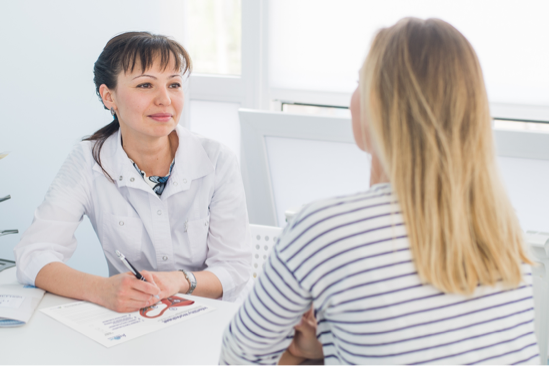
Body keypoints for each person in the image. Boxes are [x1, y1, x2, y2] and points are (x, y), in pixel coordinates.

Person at [220, 18, 538, 365]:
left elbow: (239, 358)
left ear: (379, 103)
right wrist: (329, 349)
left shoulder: (325, 228)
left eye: (360, 81)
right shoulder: (503, 228)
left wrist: (299, 358)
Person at [14, 32, 252, 312]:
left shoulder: (217, 160)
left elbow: (235, 269)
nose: (165, 99)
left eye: (174, 84)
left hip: (215, 320)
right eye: (145, 85)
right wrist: (100, 289)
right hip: (135, 323)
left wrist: (178, 281)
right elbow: (33, 254)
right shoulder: (88, 161)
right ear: (108, 96)